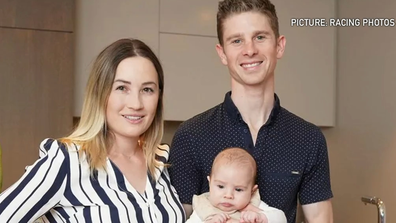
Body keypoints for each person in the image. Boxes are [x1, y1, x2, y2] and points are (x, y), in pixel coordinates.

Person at [168, 0, 334, 222]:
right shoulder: (191, 135)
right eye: (237, 40)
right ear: (222, 53)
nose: (250, 50)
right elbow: (180, 218)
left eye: (260, 37)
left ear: (279, 46)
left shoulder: (309, 139)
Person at [0, 38, 186, 222]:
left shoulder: (163, 160)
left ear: (159, 97)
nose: (136, 104)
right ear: (99, 93)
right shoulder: (68, 161)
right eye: (122, 88)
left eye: (147, 90)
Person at [186, 147, 286, 223]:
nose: (228, 195)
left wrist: (261, 217)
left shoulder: (252, 206)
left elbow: (281, 218)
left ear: (252, 191)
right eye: (221, 187)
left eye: (238, 189)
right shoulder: (204, 206)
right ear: (210, 183)